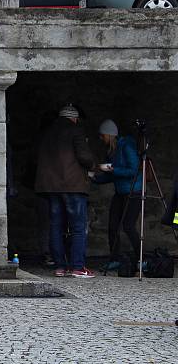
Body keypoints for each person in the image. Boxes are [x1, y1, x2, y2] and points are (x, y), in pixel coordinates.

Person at [34, 104, 97, 278]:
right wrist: (93, 165)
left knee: (55, 226)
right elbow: (84, 156)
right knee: (78, 227)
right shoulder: (76, 130)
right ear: (74, 118)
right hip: (72, 186)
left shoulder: (47, 132)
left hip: (51, 187)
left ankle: (60, 266)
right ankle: (78, 266)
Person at [92, 119, 142, 269]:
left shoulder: (127, 146)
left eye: (102, 136)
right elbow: (111, 176)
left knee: (128, 226)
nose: (101, 139)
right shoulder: (112, 151)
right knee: (113, 226)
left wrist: (114, 169)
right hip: (120, 192)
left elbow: (133, 170)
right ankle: (115, 259)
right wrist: (94, 179)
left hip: (134, 191)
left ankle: (141, 258)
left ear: (109, 135)